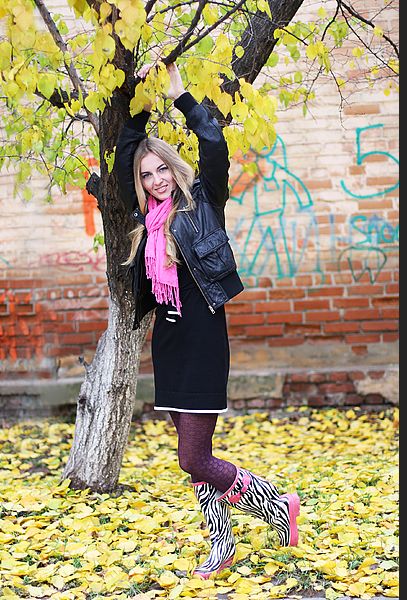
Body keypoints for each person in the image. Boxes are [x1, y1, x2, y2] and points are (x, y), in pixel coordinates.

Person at [115, 60, 300, 579]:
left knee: (192, 458)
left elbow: (214, 145)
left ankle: (276, 507)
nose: (154, 181)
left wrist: (179, 97)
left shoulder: (203, 203)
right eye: (146, 175)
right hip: (168, 344)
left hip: (203, 341)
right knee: (198, 457)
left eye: (161, 171)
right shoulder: (143, 222)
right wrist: (139, 104)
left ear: (175, 170)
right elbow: (125, 155)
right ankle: (223, 546)